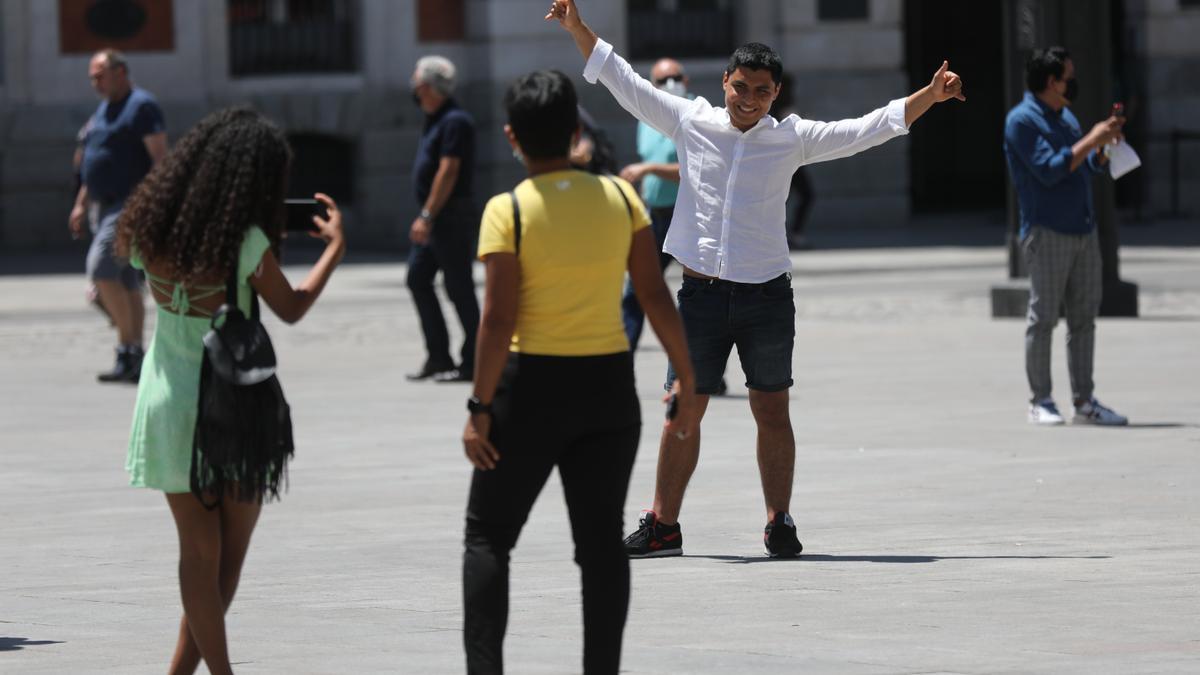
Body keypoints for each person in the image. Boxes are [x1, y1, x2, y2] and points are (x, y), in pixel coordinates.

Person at [546, 0, 965, 558]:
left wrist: (929, 97)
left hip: (766, 297)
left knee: (771, 410)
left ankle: (779, 521)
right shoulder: (690, 120)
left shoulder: (791, 138)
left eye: (761, 91)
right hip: (698, 297)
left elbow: (868, 128)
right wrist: (578, 28)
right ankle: (663, 524)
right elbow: (623, 80)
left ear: (776, 94)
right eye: (741, 86)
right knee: (681, 408)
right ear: (725, 81)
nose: (748, 100)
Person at [461, 70, 699, 674]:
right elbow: (652, 294)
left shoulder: (506, 211)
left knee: (489, 538)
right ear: (575, 132)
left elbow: (496, 321)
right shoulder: (622, 199)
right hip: (608, 394)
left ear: (512, 136)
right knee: (599, 548)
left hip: (528, 392)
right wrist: (687, 374)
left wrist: (478, 408)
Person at [117, 107, 346, 675]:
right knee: (227, 562)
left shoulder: (150, 229)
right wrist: (335, 249)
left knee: (196, 556)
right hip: (235, 410)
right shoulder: (242, 243)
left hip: (169, 402)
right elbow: (290, 307)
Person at [1003, 47, 1128, 426]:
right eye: (1068, 76)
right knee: (1043, 318)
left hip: (1082, 230)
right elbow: (1049, 169)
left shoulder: (1065, 117)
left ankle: (1084, 401)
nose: (1073, 82)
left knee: (1084, 318)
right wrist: (1091, 139)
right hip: (1047, 231)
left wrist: (1102, 151)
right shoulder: (1022, 121)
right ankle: (1040, 400)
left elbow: (1082, 167)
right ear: (1051, 81)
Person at [69, 49, 168, 382]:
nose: (94, 82)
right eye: (91, 77)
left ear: (121, 71)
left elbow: (159, 159)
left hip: (129, 205)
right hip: (103, 204)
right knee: (126, 281)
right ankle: (132, 355)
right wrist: (81, 203)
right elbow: (92, 162)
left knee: (100, 268)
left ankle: (129, 347)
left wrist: (150, 205)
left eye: (100, 75)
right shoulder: (104, 109)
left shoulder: (141, 106)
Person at [406, 55, 481, 383]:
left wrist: (427, 214)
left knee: (459, 287)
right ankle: (438, 356)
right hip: (437, 218)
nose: (413, 85)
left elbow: (448, 171)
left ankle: (473, 361)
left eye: (416, 80)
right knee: (418, 278)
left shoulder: (455, 121)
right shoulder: (435, 118)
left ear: (426, 85)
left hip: (448, 217)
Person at [617, 57, 686, 350]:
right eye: (663, 80)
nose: (671, 84)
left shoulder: (694, 115)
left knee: (702, 292)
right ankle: (622, 359)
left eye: (676, 77)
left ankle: (705, 371)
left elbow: (691, 171)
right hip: (654, 216)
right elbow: (649, 157)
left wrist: (648, 170)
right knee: (637, 288)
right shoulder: (647, 116)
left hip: (687, 215)